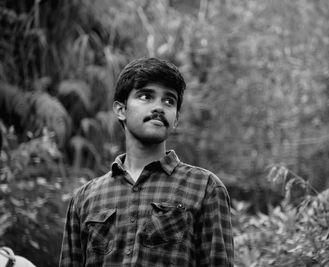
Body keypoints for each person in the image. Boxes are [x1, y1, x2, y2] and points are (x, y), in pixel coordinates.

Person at [59, 57, 234, 266]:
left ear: (176, 119)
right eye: (146, 96)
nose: (159, 107)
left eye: (169, 101)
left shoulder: (205, 188)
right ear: (121, 110)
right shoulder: (84, 199)